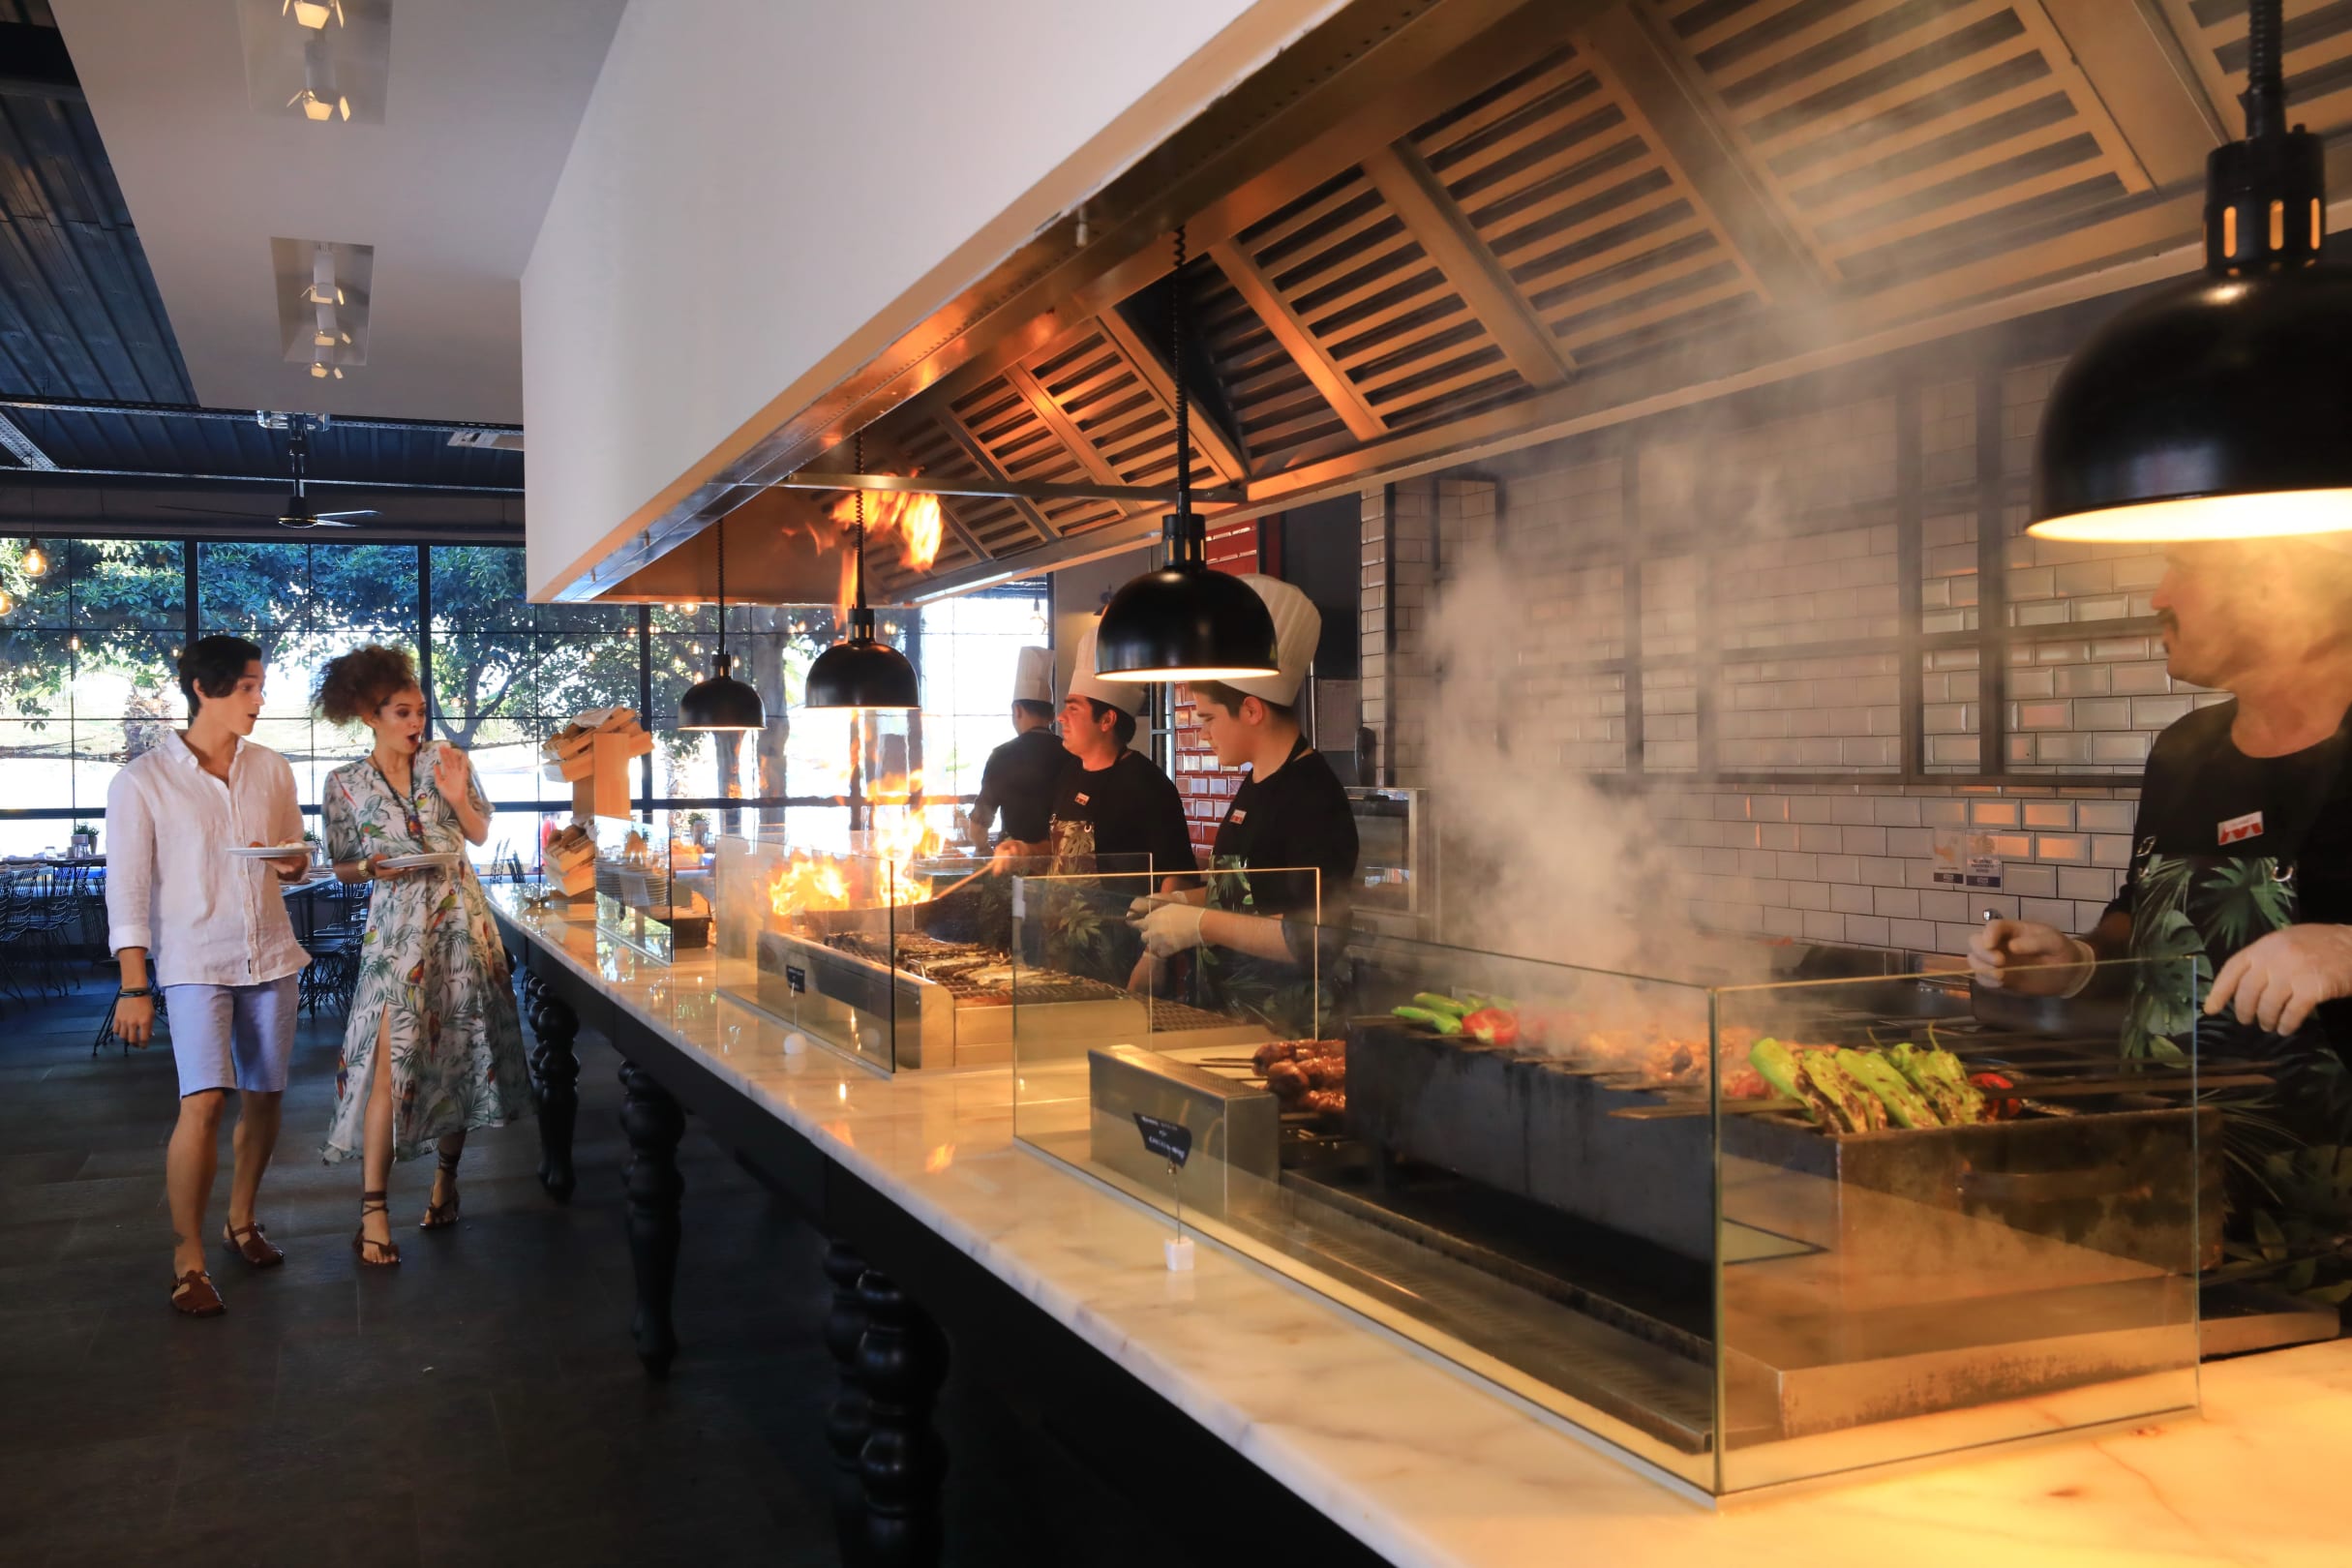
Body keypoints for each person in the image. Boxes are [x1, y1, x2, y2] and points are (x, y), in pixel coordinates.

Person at [1970, 538, 2352, 1148]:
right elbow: (2145, 913)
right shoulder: (2186, 750)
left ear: (2278, 591)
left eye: (2186, 570)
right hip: (2167, 1160)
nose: (2159, 597)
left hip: (2325, 1182)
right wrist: (2080, 962)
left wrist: (2346, 950)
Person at [105, 635, 312, 1317]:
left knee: (266, 1096)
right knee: (204, 1102)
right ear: (203, 688)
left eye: (260, 686)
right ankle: (187, 1258)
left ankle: (241, 1220)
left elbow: (294, 855)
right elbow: (126, 889)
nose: (260, 699)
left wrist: (293, 864)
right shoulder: (142, 781)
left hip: (272, 954)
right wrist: (134, 985)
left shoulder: (272, 769)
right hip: (194, 961)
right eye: (248, 686)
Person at [315, 645, 534, 1266]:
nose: (417, 723)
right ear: (370, 715)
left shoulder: (448, 760)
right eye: (403, 713)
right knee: (388, 1063)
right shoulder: (345, 783)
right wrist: (372, 867)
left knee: (459, 1053)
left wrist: (458, 796)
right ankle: (373, 1211)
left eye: (420, 711)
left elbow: (479, 833)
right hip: (395, 936)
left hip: (460, 923)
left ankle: (446, 1182)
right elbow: (342, 864)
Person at [1131, 576, 1358, 1035]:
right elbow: (1250, 892)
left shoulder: (1312, 796)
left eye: (1209, 718)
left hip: (1286, 1030)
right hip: (1229, 1019)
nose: (1203, 734)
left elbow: (1310, 936)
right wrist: (1177, 902)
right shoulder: (1255, 782)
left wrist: (1200, 924)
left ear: (1252, 710)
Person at [1046, 622, 1196, 887]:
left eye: (1073, 709)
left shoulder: (1148, 784)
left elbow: (1177, 874)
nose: (1061, 717)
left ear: (1107, 720)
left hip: (1121, 914)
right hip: (1060, 912)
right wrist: (1024, 850)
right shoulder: (1068, 773)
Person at [961, 647, 1062, 853]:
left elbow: (978, 826)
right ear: (1052, 716)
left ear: (1016, 711)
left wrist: (984, 850)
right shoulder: (1072, 754)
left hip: (1015, 861)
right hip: (1062, 862)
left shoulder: (1002, 756)